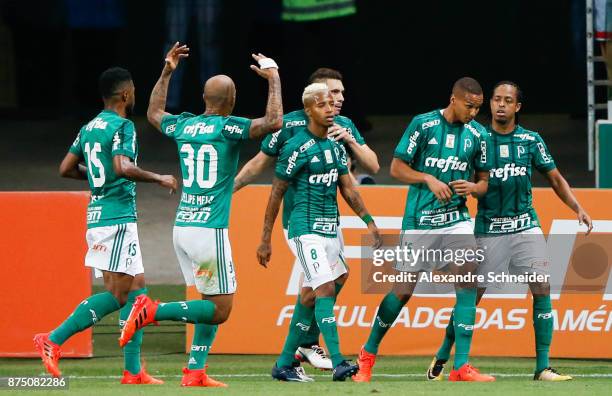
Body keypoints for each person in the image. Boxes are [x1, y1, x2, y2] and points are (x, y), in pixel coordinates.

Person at [118, 43, 283, 388]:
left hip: (183, 228)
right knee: (221, 310)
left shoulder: (185, 126)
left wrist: (166, 71)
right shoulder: (228, 127)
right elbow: (273, 122)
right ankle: (151, 311)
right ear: (232, 100)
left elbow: (153, 113)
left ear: (205, 98)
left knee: (208, 300)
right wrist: (273, 78)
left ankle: (195, 370)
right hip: (209, 232)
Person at [427, 81, 593, 382]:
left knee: (542, 288)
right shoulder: (475, 138)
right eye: (496, 100)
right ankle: (443, 354)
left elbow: (554, 178)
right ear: (489, 104)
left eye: (507, 100)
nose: (500, 105)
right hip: (488, 229)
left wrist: (577, 207)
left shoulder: (531, 140)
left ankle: (543, 366)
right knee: (470, 298)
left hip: (525, 224)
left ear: (517, 107)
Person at [34, 67, 178, 384]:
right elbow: (122, 166)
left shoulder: (88, 128)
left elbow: (66, 169)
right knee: (120, 295)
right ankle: (53, 339)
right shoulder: (123, 126)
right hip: (116, 218)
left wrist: (100, 180)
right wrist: (159, 178)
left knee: (138, 288)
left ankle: (133, 371)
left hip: (100, 214)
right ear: (126, 94)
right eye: (135, 90)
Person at [234, 67, 378, 370]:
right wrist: (229, 192)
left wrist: (350, 141)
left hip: (330, 223)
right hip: (300, 223)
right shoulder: (291, 133)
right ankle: (335, 359)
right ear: (312, 102)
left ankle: (291, 357)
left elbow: (369, 170)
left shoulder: (342, 130)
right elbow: (263, 171)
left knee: (329, 284)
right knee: (322, 288)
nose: (336, 101)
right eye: (330, 96)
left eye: (339, 95)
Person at [353, 77, 495, 383]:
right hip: (420, 221)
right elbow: (396, 168)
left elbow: (484, 181)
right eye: (469, 106)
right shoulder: (423, 124)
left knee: (469, 279)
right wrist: (428, 179)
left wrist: (473, 186)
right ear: (453, 100)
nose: (473, 112)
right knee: (402, 292)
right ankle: (367, 355)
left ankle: (461, 366)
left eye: (478, 107)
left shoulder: (479, 134)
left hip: (456, 219)